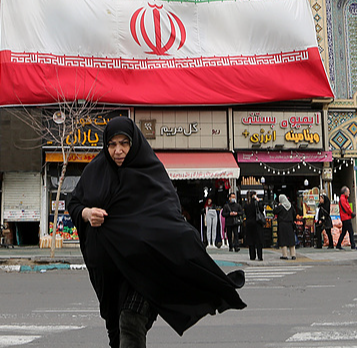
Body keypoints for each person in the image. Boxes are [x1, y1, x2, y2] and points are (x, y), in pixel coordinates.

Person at [66, 117, 245, 348]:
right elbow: (74, 203)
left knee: (131, 321)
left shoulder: (151, 173)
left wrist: (185, 240)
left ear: (135, 143)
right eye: (112, 144)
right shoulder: (96, 171)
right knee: (116, 333)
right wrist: (87, 213)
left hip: (146, 269)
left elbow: (168, 215)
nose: (118, 150)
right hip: (110, 273)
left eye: (124, 143)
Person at [335, 186, 357, 250]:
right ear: (345, 192)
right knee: (350, 232)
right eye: (348, 192)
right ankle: (353, 245)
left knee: (344, 232)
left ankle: (338, 244)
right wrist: (351, 213)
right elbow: (346, 207)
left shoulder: (343, 199)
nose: (349, 193)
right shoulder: (343, 199)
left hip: (345, 217)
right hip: (346, 218)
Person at [273, 194, 297, 260]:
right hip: (290, 224)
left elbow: (274, 211)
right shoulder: (291, 206)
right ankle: (293, 255)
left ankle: (285, 255)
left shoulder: (280, 207)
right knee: (291, 240)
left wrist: (278, 205)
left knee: (283, 240)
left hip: (282, 225)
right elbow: (294, 214)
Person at [243, 190, 265, 261]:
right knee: (258, 240)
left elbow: (246, 213)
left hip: (249, 223)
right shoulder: (256, 203)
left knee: (251, 241)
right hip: (257, 223)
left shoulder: (246, 204)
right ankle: (260, 256)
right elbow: (261, 209)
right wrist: (258, 201)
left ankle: (252, 256)